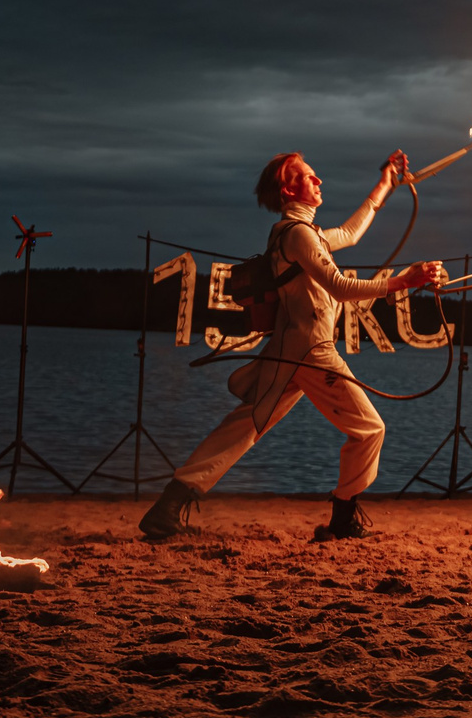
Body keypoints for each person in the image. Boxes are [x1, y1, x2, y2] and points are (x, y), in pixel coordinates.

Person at [140, 150, 444, 543]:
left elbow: (350, 233)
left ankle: (167, 507)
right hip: (311, 352)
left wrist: (385, 183)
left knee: (246, 425)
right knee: (370, 429)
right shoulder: (297, 234)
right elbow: (340, 288)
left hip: (289, 352)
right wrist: (404, 282)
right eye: (308, 176)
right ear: (288, 189)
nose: (319, 181)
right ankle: (343, 516)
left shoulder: (302, 234)